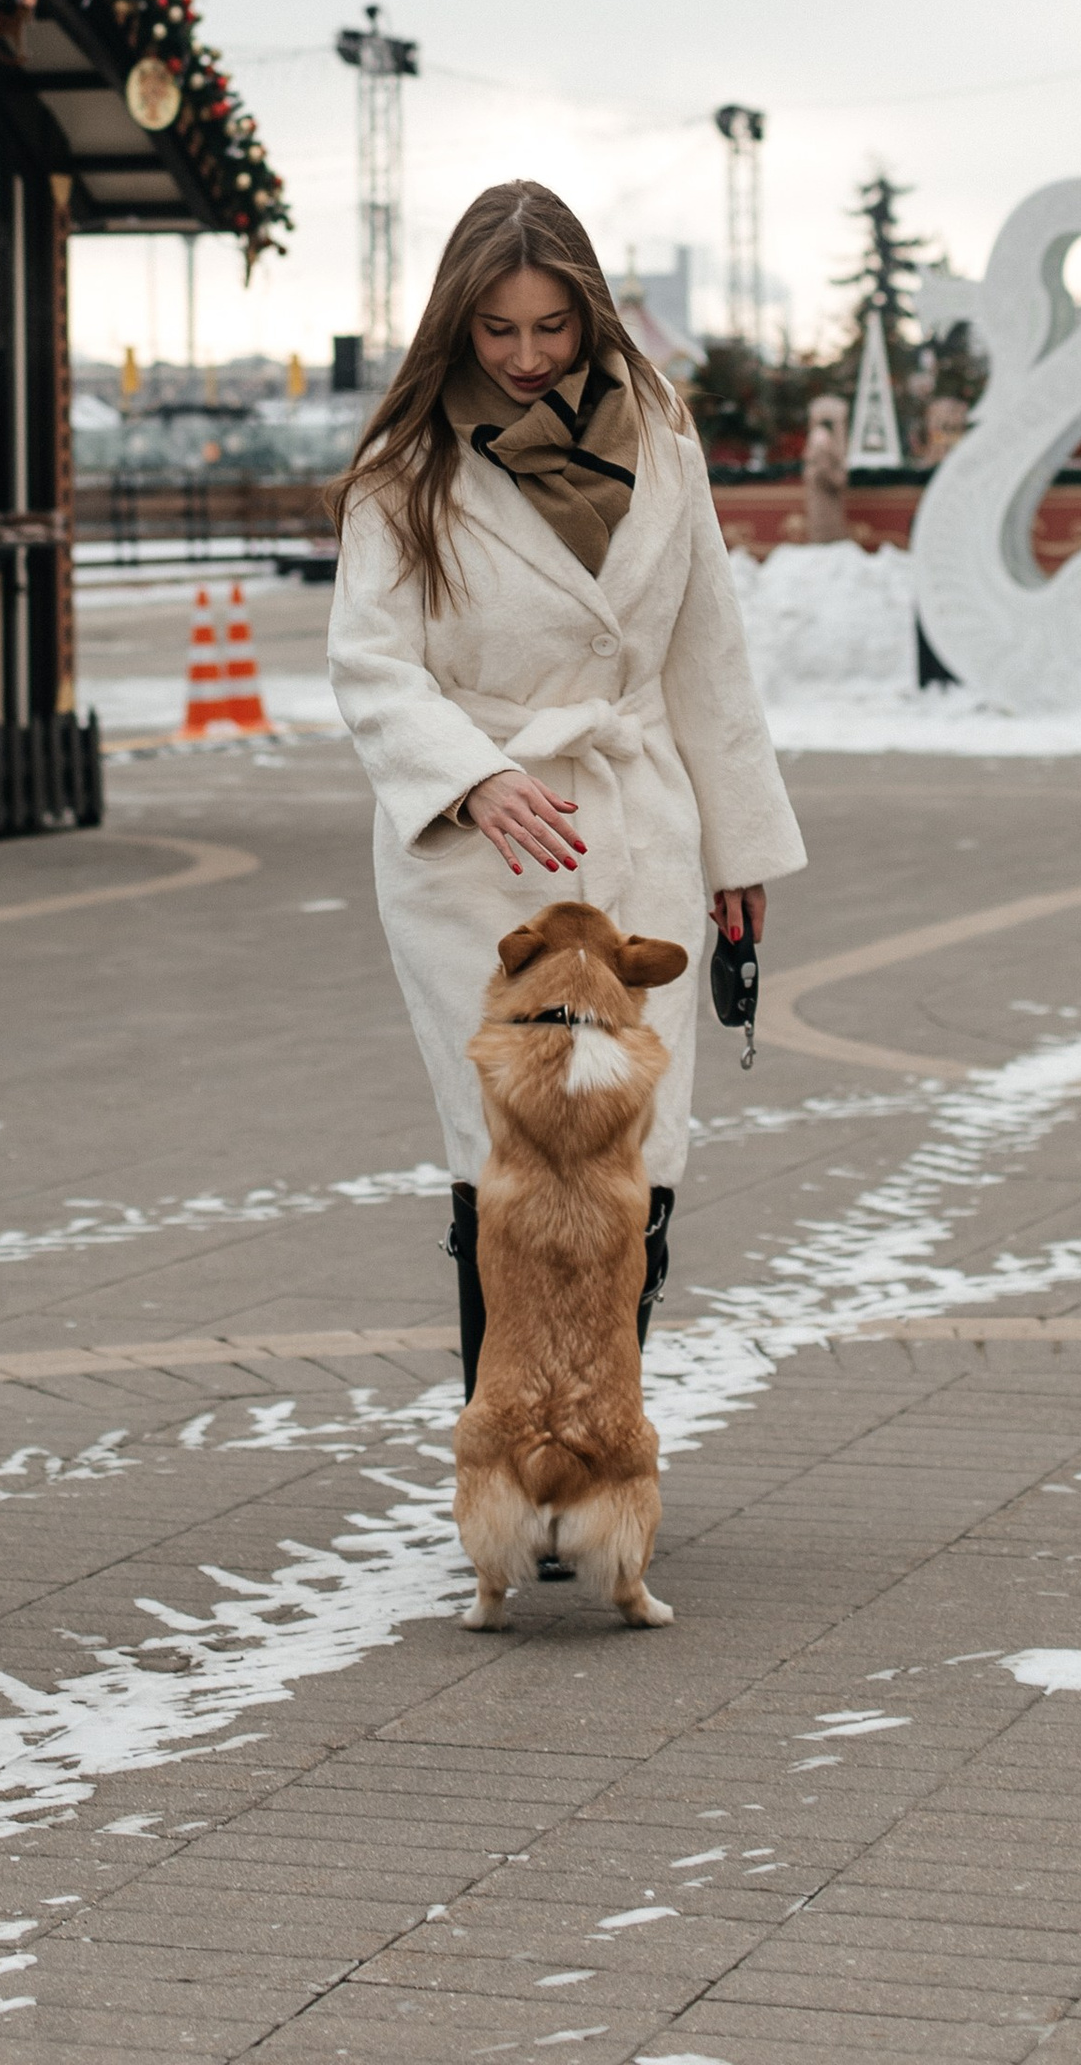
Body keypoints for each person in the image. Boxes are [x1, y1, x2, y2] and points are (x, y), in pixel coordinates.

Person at [327, 179, 805, 1391]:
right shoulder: (406, 468)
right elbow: (370, 663)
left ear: (591, 313)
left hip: (636, 821)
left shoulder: (661, 436)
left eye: (553, 327)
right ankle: (509, 1441)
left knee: (628, 1152)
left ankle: (598, 1437)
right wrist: (475, 780)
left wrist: (736, 851)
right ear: (457, 322)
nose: (528, 357)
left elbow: (708, 655)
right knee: (505, 1151)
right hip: (477, 865)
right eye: (499, 330)